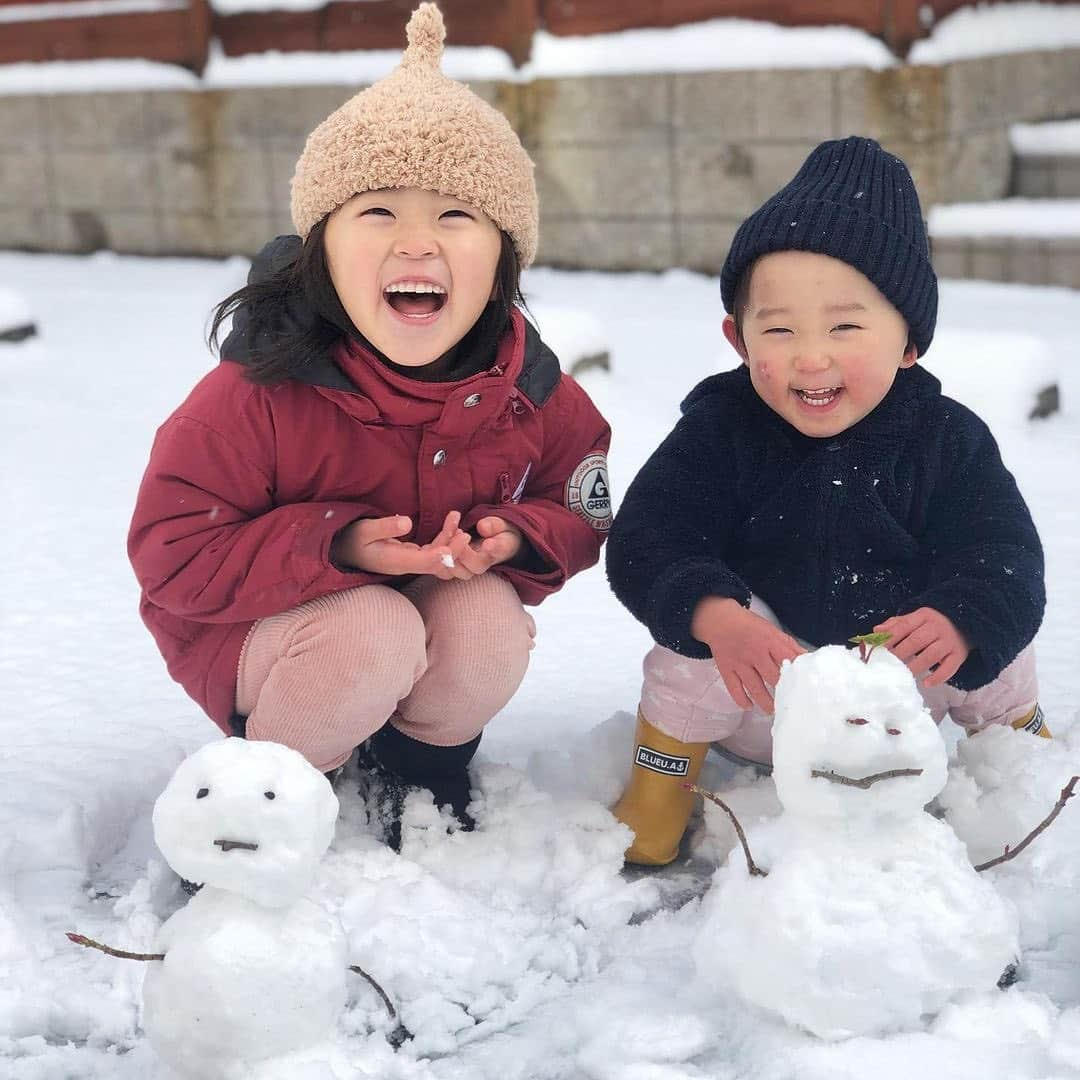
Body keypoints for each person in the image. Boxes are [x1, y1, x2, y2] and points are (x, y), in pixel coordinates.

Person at [127, 3, 612, 851]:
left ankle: (420, 764)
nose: (416, 243)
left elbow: (587, 503)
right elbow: (172, 551)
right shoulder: (257, 393)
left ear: (503, 257)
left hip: (419, 612)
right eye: (378, 213)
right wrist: (336, 545)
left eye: (457, 216)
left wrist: (515, 536)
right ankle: (270, 794)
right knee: (371, 631)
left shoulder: (531, 391)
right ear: (321, 249)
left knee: (486, 616)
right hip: (263, 633)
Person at [605, 136, 1048, 867]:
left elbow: (1002, 549)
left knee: (998, 622)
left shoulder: (947, 438)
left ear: (910, 340)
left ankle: (1024, 765)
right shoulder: (721, 430)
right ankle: (660, 789)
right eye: (779, 329)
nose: (812, 357)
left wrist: (961, 622)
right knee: (691, 637)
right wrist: (715, 617)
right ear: (738, 340)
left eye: (845, 327)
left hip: (903, 690)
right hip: (767, 690)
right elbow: (652, 534)